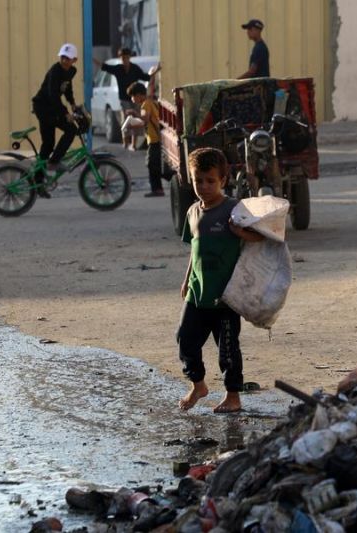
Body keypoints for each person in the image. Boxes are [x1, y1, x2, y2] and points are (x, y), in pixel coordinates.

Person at [177, 147, 264, 414]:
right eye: (198, 180)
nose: (203, 186)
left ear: (223, 181)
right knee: (185, 340)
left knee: (227, 349)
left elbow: (262, 236)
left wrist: (240, 232)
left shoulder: (234, 210)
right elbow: (195, 249)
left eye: (210, 181)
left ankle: (233, 396)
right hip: (197, 293)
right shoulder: (193, 212)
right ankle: (199, 385)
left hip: (226, 297)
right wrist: (186, 279)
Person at [32, 43, 79, 197]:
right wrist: (65, 113)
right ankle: (54, 163)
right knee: (70, 130)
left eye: (68, 58)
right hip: (44, 108)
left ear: (74, 60)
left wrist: (73, 104)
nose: (65, 60)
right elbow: (53, 95)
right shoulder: (55, 71)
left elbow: (67, 89)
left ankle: (37, 181)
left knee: (48, 144)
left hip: (52, 108)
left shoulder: (71, 71)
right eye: (63, 57)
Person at [94, 48, 158, 149]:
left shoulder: (135, 68)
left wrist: (154, 72)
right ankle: (125, 142)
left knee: (136, 119)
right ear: (120, 58)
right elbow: (105, 67)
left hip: (136, 99)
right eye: (123, 58)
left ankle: (133, 144)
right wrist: (94, 60)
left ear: (129, 58)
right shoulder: (118, 69)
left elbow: (145, 77)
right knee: (126, 120)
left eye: (126, 58)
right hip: (124, 99)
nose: (125, 60)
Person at [126, 80, 165, 197]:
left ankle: (157, 189)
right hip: (154, 139)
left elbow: (145, 119)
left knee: (152, 164)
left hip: (155, 140)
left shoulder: (146, 104)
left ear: (138, 95)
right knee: (153, 164)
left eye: (132, 96)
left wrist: (133, 113)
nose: (132, 99)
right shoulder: (148, 102)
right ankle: (158, 188)